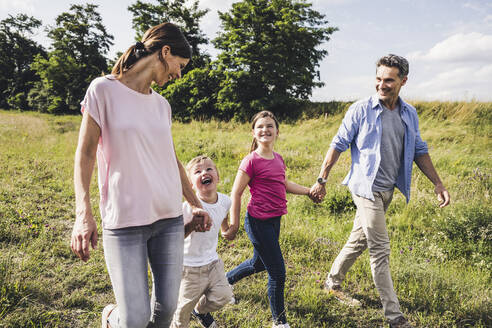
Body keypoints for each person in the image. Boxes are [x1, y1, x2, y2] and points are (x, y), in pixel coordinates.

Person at [70, 22, 211, 328]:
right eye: (180, 66)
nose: (179, 75)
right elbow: (84, 155)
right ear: (165, 51)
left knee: (164, 313)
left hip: (169, 220)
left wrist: (193, 203)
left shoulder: (162, 105)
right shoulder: (103, 90)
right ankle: (111, 317)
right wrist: (84, 213)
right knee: (134, 319)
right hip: (124, 223)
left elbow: (169, 158)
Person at [310, 54, 451, 328]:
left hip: (388, 190)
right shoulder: (360, 110)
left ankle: (332, 282)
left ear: (403, 81)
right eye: (378, 79)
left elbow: (419, 151)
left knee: (358, 240)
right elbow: (338, 144)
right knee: (380, 250)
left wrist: (438, 182)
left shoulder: (409, 114)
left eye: (389, 80)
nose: (381, 85)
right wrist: (322, 179)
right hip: (365, 189)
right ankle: (394, 317)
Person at [225, 111, 316, 328]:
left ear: (277, 131)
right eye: (260, 127)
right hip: (257, 222)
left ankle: (223, 283)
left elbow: (284, 184)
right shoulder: (250, 161)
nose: (265, 130)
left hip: (275, 221)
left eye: (269, 126)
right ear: (254, 133)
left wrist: (308, 192)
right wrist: (234, 224)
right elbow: (235, 193)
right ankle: (280, 322)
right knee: (278, 272)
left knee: (258, 264)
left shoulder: (278, 159)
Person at [170, 156, 234, 328]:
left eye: (209, 169)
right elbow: (175, 236)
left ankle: (200, 310)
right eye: (197, 172)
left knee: (224, 296)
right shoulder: (186, 208)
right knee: (182, 312)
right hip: (189, 267)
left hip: (213, 263)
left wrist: (226, 229)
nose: (204, 172)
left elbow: (223, 216)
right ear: (190, 185)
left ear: (218, 177)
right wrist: (191, 226)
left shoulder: (225, 200)